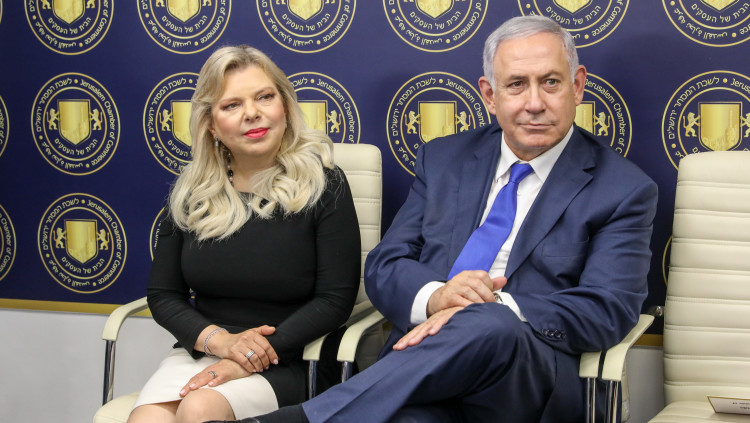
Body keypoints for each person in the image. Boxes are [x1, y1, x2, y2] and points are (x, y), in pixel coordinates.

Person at [217, 15, 658, 423]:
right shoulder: (445, 159)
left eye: (551, 82)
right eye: (516, 85)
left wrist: (495, 304)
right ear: (490, 95)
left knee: (491, 319)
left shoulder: (622, 189)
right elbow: (386, 265)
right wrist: (437, 297)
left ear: (577, 86)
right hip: (422, 376)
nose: (535, 103)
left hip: (525, 381)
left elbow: (608, 309)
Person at [127, 45, 361, 423]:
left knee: (199, 408)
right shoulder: (192, 191)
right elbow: (163, 295)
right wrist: (221, 342)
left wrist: (248, 357)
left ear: (284, 106)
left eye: (264, 97)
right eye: (232, 105)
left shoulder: (325, 183)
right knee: (147, 419)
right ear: (211, 124)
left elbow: (335, 300)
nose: (252, 113)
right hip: (208, 348)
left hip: (296, 354)